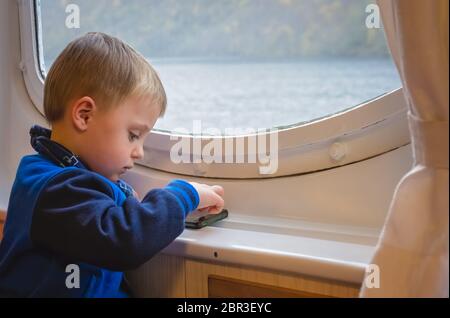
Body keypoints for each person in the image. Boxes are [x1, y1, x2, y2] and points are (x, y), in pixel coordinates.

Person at [0, 32, 224, 297]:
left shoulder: (75, 177)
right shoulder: (52, 188)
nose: (139, 152)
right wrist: (184, 195)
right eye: (133, 135)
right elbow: (126, 240)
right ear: (84, 115)